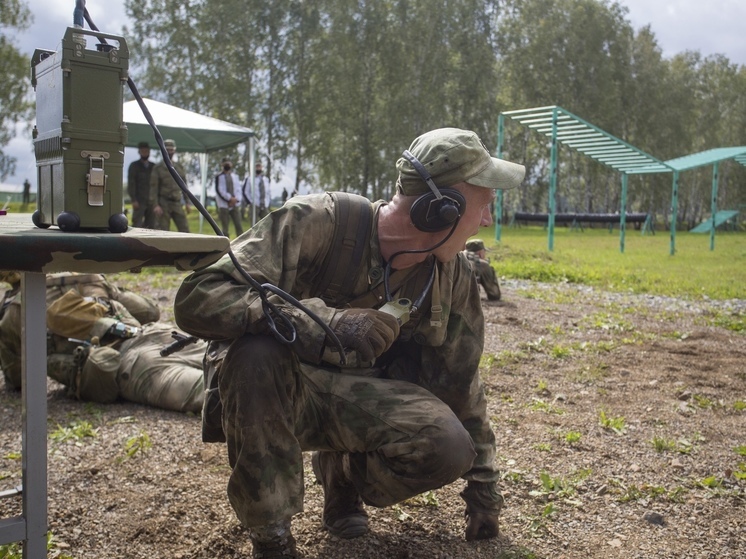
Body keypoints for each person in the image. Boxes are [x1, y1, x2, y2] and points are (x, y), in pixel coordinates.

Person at [174, 127, 525, 558]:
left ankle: (341, 474)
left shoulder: (452, 277)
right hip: (276, 392)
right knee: (256, 355)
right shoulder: (317, 222)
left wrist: (484, 488)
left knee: (448, 445)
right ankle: (272, 540)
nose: (486, 221)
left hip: (354, 397)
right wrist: (320, 320)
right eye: (483, 205)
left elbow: (461, 381)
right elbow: (197, 296)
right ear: (442, 209)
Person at [0, 272, 204, 413]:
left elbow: (17, 378)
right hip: (162, 336)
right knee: (231, 367)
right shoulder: (87, 278)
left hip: (132, 364)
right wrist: (109, 291)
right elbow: (149, 311)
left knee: (213, 394)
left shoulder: (15, 312)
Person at [150, 139, 191, 232]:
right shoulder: (158, 168)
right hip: (163, 203)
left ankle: (187, 247)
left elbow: (184, 186)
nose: (169, 152)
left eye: (171, 150)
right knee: (163, 231)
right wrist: (155, 205)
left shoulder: (179, 167)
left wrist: (188, 202)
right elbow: (153, 188)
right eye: (167, 150)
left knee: (185, 229)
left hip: (177, 202)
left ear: (174, 150)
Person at [127, 141, 156, 228]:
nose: (145, 153)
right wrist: (133, 199)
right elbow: (131, 183)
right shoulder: (134, 166)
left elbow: (156, 184)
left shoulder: (153, 166)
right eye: (143, 151)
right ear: (139, 152)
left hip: (151, 201)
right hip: (139, 200)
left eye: (146, 151)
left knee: (151, 225)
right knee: (137, 224)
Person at [214, 157, 244, 238]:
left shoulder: (235, 176)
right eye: (225, 163)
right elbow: (220, 190)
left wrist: (235, 199)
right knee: (225, 227)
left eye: (228, 163)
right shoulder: (219, 177)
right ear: (222, 165)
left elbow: (238, 189)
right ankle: (225, 246)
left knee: (238, 225)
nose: (227, 165)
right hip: (224, 205)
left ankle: (241, 242)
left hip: (235, 204)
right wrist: (229, 199)